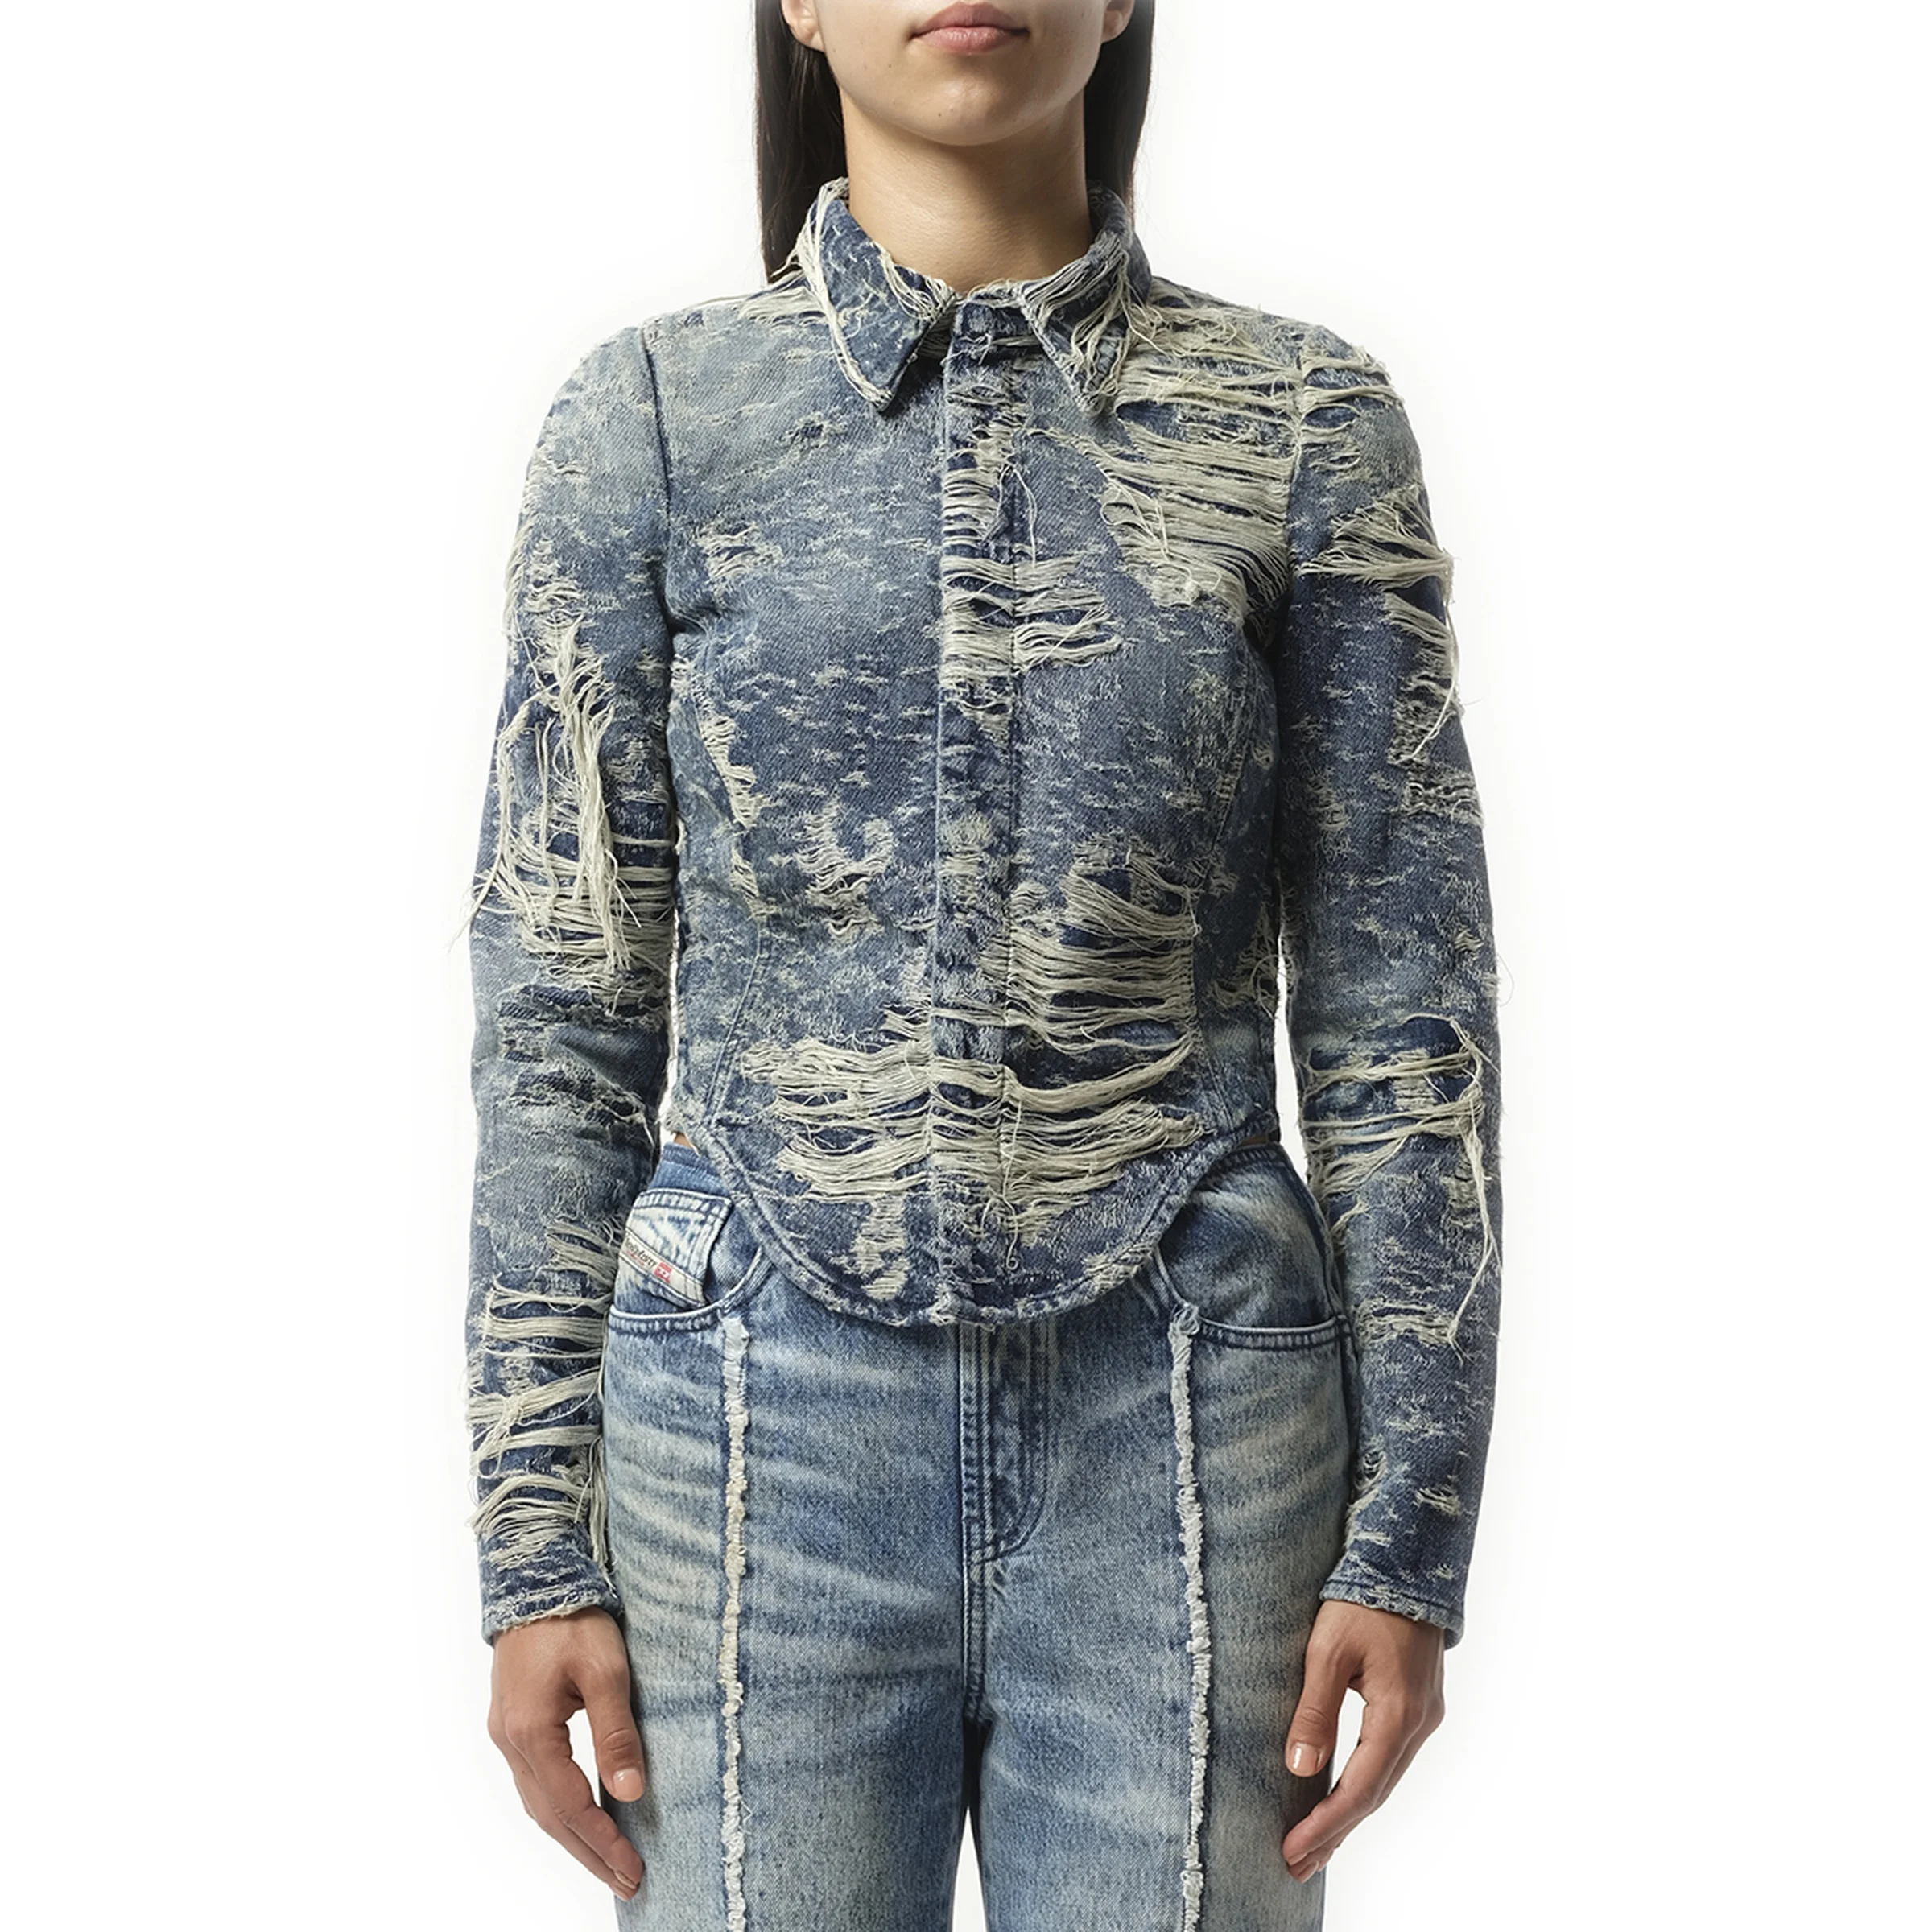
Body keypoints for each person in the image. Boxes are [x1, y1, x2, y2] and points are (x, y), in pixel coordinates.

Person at [460, 2, 1504, 1926]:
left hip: (1193, 1419)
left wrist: (1412, 1529)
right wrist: (534, 1547)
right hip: (748, 1426)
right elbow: (563, 1011)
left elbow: (1402, 1005)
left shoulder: (1300, 420)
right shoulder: (657, 417)